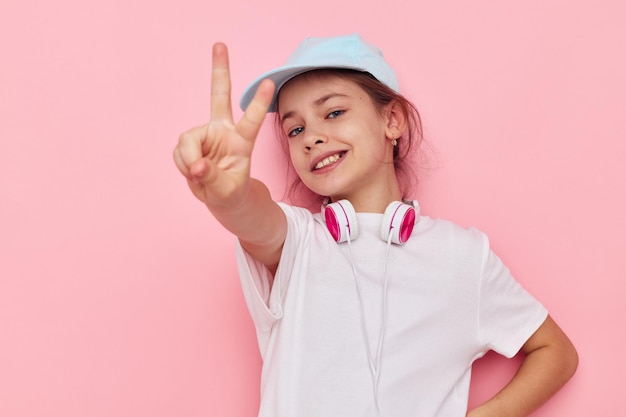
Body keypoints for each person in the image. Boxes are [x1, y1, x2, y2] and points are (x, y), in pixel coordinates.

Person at [173, 34, 578, 417]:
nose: (311, 137)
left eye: (333, 112)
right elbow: (252, 216)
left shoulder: (463, 256)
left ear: (393, 120)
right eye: (295, 129)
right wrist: (230, 194)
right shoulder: (298, 241)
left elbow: (556, 352)